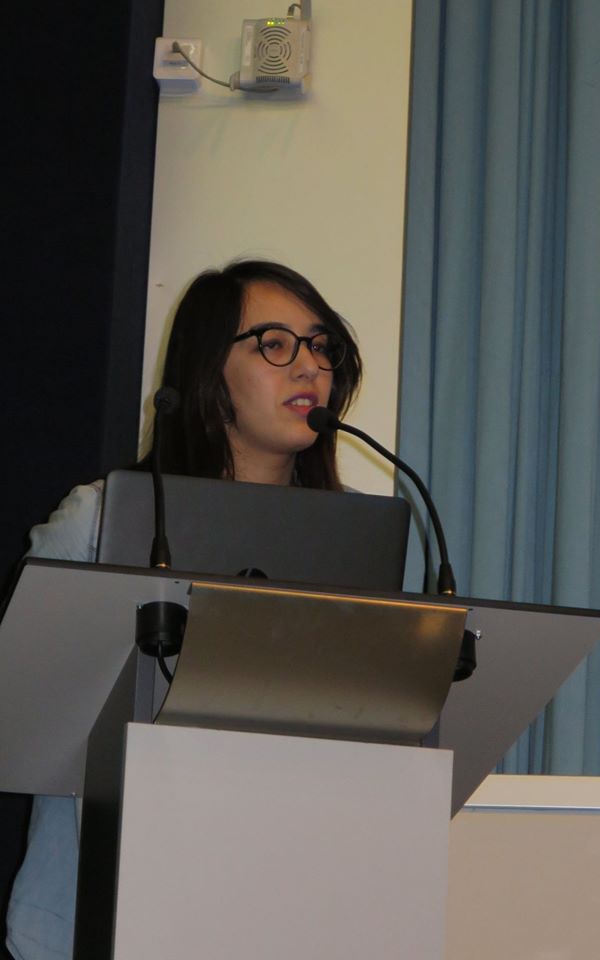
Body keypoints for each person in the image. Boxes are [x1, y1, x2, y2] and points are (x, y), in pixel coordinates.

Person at [5, 259, 362, 960]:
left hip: (283, 916)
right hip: (97, 921)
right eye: (275, 343)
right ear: (208, 371)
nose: (309, 367)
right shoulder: (100, 523)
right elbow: (18, 712)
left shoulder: (356, 547)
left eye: (321, 346)